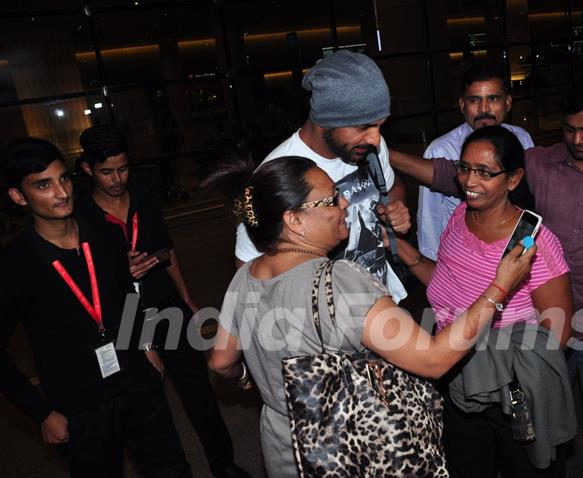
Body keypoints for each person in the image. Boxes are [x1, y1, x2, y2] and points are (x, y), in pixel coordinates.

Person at [390, 77, 583, 478]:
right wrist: (382, 151)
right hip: (532, 323)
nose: (578, 140)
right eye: (570, 129)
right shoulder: (541, 162)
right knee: (537, 421)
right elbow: (456, 175)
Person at [207, 154, 537, 478]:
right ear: (294, 220)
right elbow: (433, 359)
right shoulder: (339, 281)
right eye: (331, 200)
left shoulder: (245, 276)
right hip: (351, 450)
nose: (345, 204)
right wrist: (499, 287)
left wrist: (246, 377)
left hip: (284, 449)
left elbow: (221, 361)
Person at [0, 138, 191, 477]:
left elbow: (128, 293)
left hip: (137, 382)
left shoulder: (103, 234)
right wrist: (42, 413)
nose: (61, 192)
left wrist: (146, 344)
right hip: (80, 406)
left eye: (64, 179)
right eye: (43, 185)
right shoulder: (15, 266)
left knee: (172, 469)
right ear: (19, 196)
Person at [395, 126, 574, 477]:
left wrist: (511, 374)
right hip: (455, 377)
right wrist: (407, 254)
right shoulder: (460, 218)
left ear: (513, 179)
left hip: (508, 394)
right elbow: (445, 287)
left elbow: (559, 334)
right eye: (464, 168)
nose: (469, 181)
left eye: (484, 172)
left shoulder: (534, 244)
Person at [74, 126, 250, 478]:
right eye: (107, 172)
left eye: (122, 168)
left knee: (198, 391)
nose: (117, 179)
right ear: (87, 169)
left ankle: (224, 464)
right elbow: (85, 281)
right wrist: (118, 272)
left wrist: (187, 300)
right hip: (125, 317)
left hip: (167, 307)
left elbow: (168, 252)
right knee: (150, 405)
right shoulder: (80, 218)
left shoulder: (143, 198)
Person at [232, 50, 411, 302]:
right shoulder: (276, 173)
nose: (376, 139)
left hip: (383, 301)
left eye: (380, 125)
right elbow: (249, 270)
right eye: (363, 127)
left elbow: (392, 188)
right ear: (326, 120)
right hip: (325, 327)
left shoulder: (369, 148)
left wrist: (394, 210)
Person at [418, 61, 534, 261]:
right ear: (462, 104)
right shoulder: (440, 150)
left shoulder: (522, 139)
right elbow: (429, 219)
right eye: (474, 100)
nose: (484, 109)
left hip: (512, 254)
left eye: (493, 99)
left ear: (508, 102)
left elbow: (528, 201)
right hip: (461, 259)